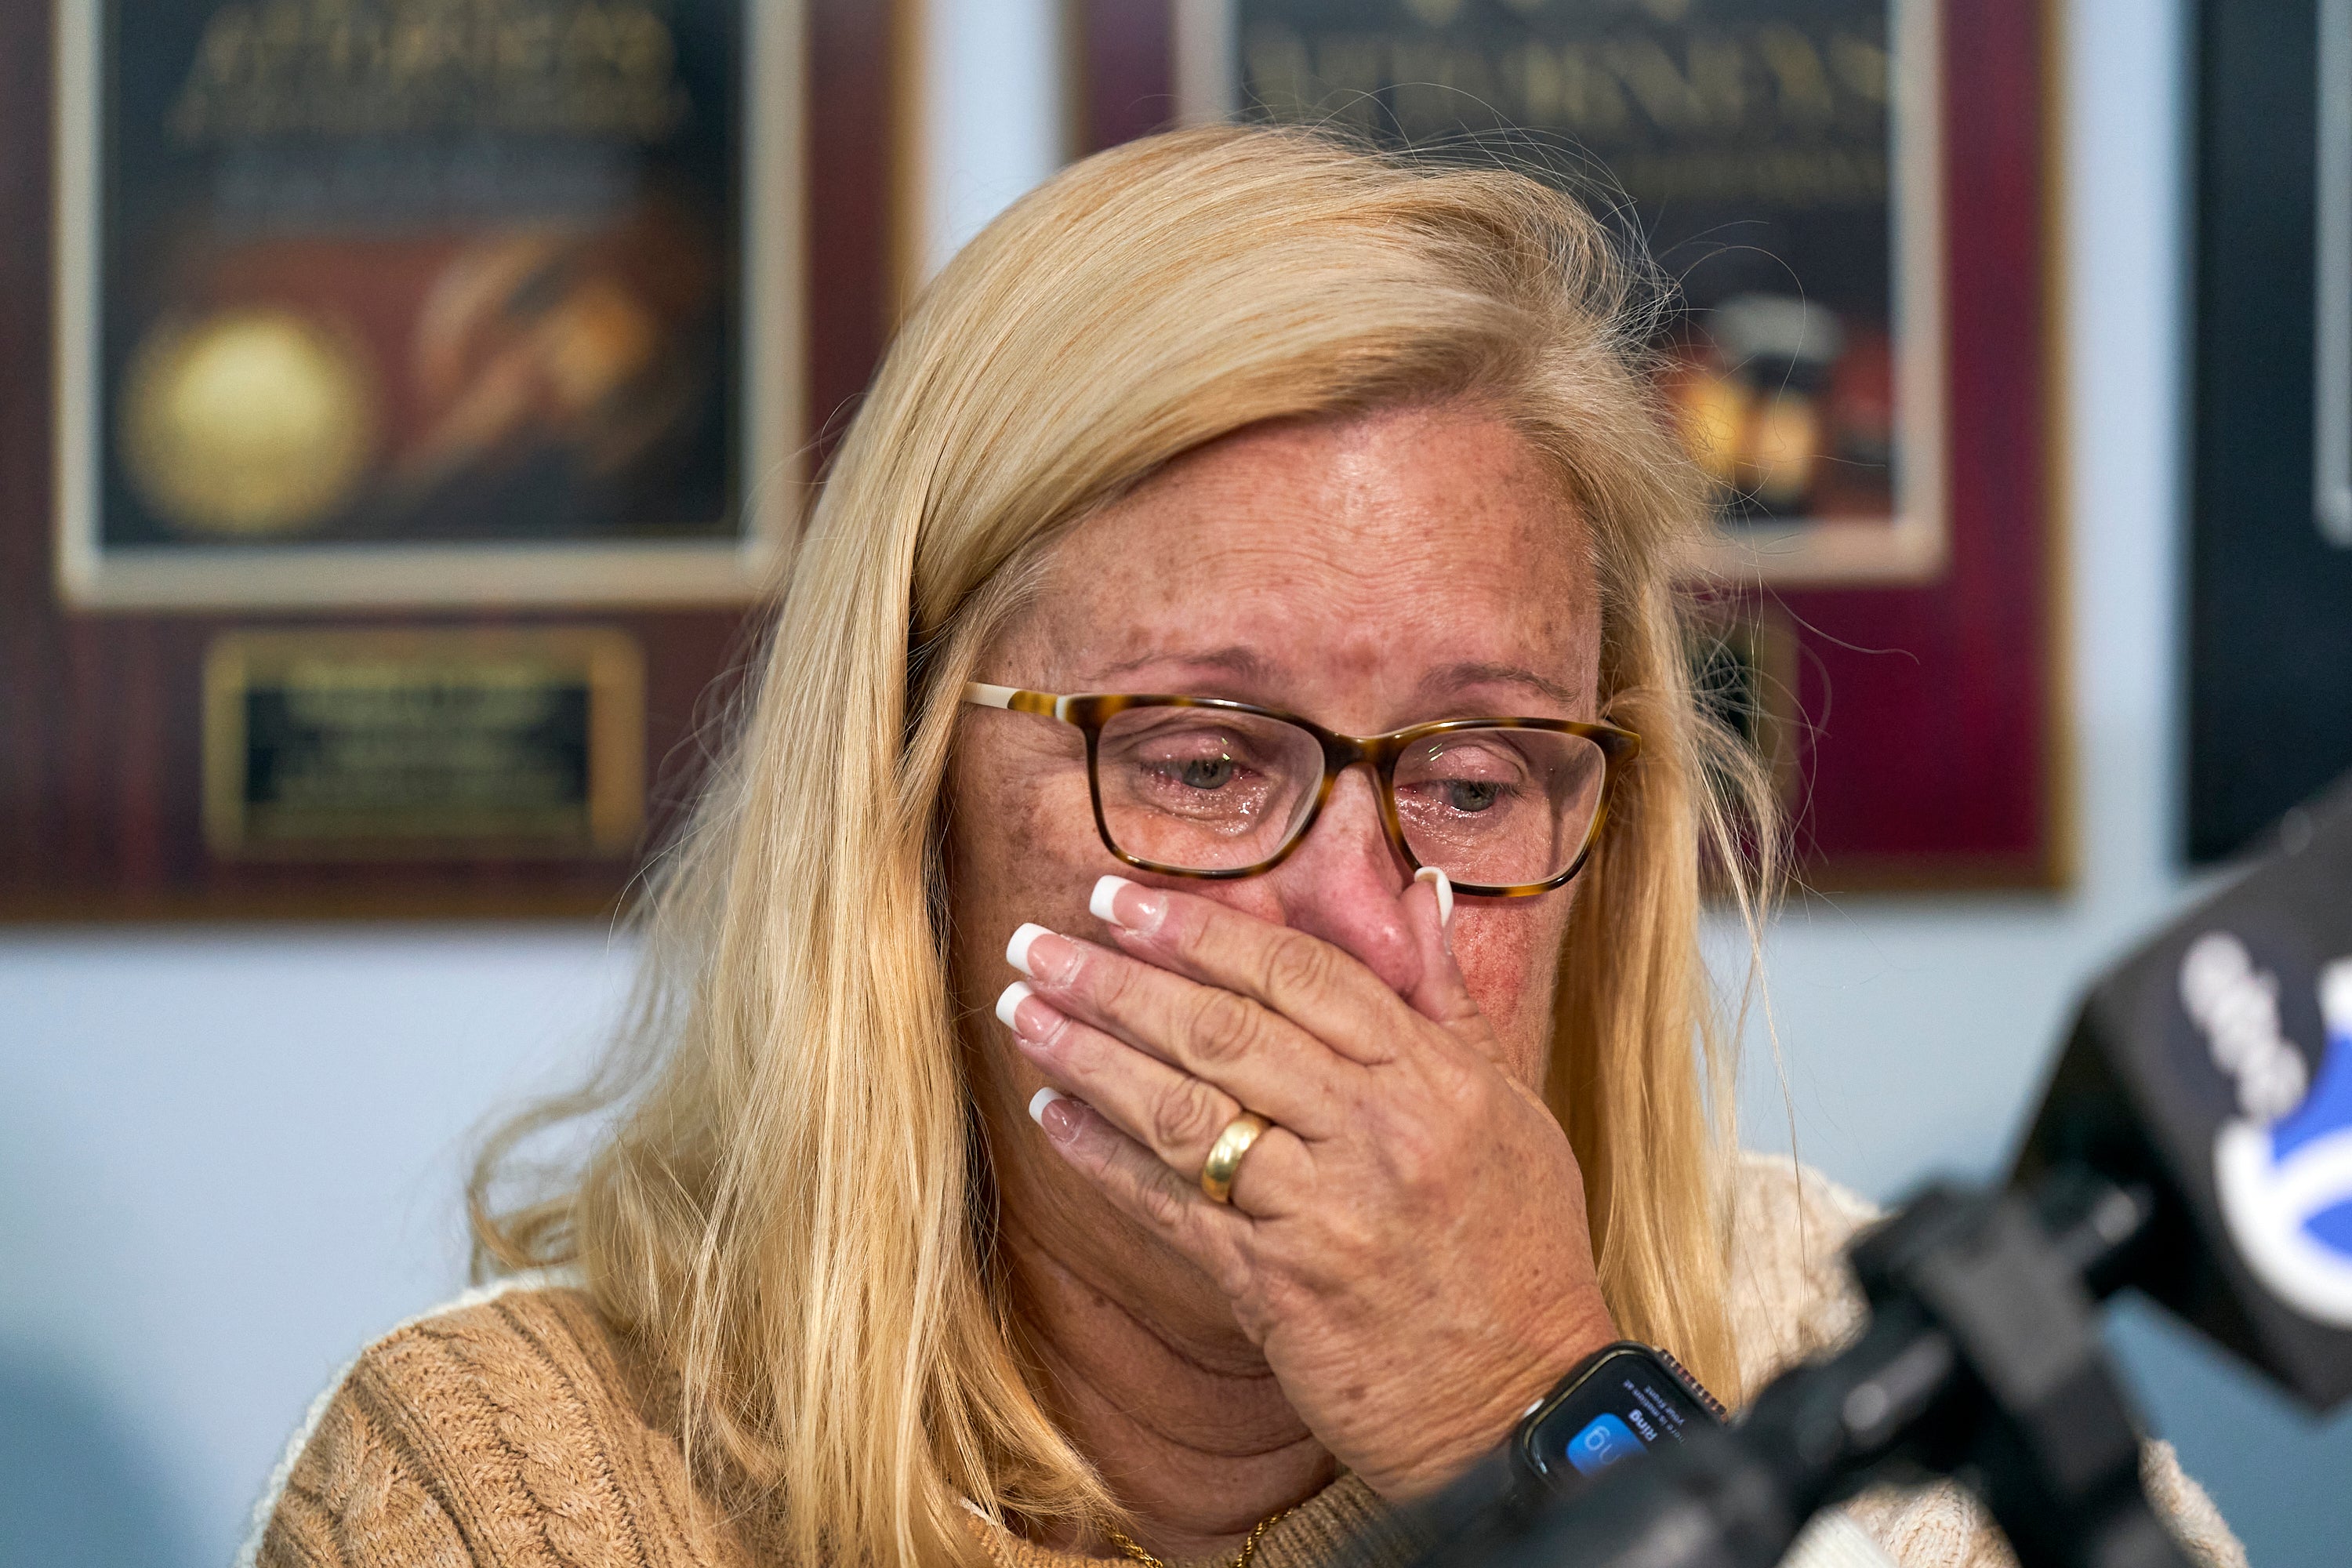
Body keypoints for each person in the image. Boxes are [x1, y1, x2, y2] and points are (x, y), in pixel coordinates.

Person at [245, 126, 2243, 1568]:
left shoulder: (1873, 1362)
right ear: (909, 796)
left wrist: (1548, 1411)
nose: (1365, 922)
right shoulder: (512, 1486)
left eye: (1474, 781)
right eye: (1199, 761)